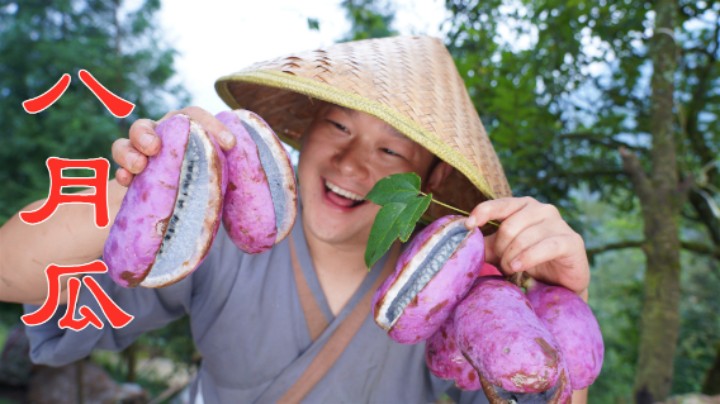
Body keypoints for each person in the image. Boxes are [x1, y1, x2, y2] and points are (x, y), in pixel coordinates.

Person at [0, 36, 590, 402]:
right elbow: (11, 274)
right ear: (301, 134)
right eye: (337, 127)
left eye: (391, 152)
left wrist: (562, 307)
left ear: (429, 182)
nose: (352, 163)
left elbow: (530, 391)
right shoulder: (217, 235)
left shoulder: (452, 284)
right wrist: (140, 185)